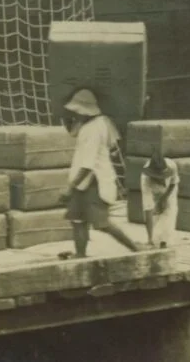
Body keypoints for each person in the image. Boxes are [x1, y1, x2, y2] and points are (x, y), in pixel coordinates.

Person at [60, 89, 140, 258]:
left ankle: (136, 249)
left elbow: (87, 165)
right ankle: (80, 254)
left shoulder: (93, 129)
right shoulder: (97, 123)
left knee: (102, 223)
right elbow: (73, 132)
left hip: (93, 181)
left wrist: (70, 187)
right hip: (83, 182)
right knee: (78, 220)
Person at [141, 151, 178, 249]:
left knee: (170, 211)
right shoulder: (145, 180)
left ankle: (165, 241)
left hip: (169, 189)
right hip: (155, 191)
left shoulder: (172, 165)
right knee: (155, 214)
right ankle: (154, 239)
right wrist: (150, 239)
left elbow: (173, 183)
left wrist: (165, 198)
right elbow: (148, 208)